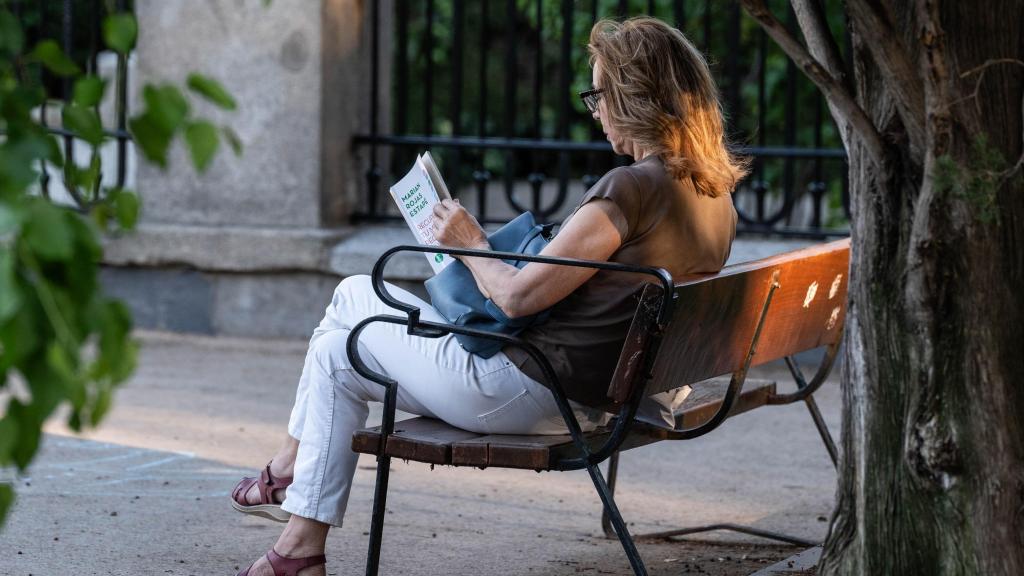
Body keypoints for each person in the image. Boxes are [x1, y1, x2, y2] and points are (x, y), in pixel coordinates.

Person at [231, 16, 747, 576]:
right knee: (338, 352)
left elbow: (516, 299)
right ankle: (297, 547)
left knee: (353, 299)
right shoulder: (714, 195)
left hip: (542, 394)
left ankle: (289, 476)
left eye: (598, 93)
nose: (594, 109)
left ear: (634, 95)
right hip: (623, 392)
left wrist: (468, 241)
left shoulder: (630, 189)